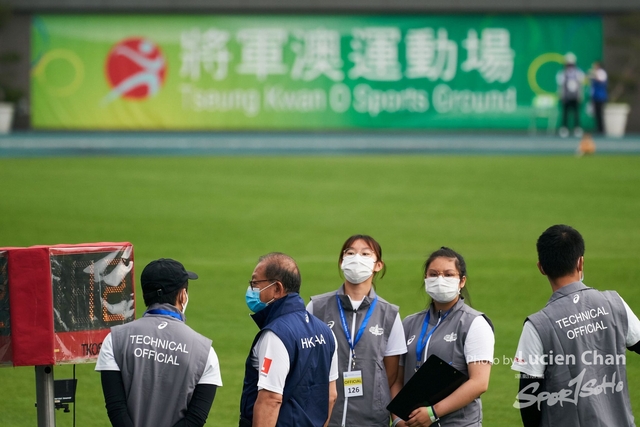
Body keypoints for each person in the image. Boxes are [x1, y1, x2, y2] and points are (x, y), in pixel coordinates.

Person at [512, 225, 640, 427]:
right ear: (581, 262)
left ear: (541, 268)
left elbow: (529, 397)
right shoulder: (615, 304)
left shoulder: (537, 326)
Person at [95, 258, 222, 427]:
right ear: (182, 295)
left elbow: (116, 408)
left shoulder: (114, 339)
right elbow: (196, 419)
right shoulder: (205, 352)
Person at [308, 234, 407, 427]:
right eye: (350, 253)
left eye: (365, 253)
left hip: (370, 420)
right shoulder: (316, 307)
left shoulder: (390, 315)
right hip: (322, 418)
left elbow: (391, 375)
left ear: (378, 265)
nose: (357, 258)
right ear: (342, 262)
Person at [392, 247, 494, 427]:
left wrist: (433, 412)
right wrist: (398, 418)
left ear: (462, 281)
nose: (440, 280)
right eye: (433, 274)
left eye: (448, 275)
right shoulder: (408, 323)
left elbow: (479, 382)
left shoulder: (474, 323)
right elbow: (396, 379)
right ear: (425, 279)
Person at [240, 252, 338, 427]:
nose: (251, 289)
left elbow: (271, 400)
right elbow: (331, 396)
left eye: (255, 283)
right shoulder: (326, 332)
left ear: (277, 289)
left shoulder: (276, 335)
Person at [557, 52, 586, 138]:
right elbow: (561, 86)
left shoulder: (578, 73)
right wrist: (561, 95)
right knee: (565, 113)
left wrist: (580, 95)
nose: (570, 66)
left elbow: (580, 86)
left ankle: (577, 128)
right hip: (566, 97)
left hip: (575, 96)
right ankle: (564, 128)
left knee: (576, 113)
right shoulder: (562, 73)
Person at [589, 61, 608, 134]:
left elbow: (599, 80)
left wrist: (594, 73)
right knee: (596, 114)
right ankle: (598, 128)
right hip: (595, 97)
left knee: (600, 114)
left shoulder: (602, 72)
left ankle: (602, 130)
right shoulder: (595, 73)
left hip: (601, 97)